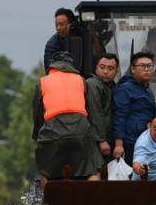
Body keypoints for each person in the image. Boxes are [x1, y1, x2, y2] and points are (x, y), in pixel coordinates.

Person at [32, 51, 103, 185]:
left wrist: (38, 137)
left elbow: (38, 114)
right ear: (71, 65)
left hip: (52, 131)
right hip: (81, 129)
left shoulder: (43, 82)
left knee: (45, 170)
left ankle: (48, 203)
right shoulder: (81, 80)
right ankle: (94, 202)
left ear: (53, 66)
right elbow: (90, 110)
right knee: (91, 169)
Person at [113, 52, 156, 165]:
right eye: (142, 66)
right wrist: (119, 145)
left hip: (146, 140)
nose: (147, 69)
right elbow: (119, 116)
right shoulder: (125, 89)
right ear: (133, 69)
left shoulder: (148, 89)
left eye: (150, 66)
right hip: (130, 141)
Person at [85, 53, 119, 160]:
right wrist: (102, 140)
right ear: (96, 68)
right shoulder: (92, 84)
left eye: (110, 68)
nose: (105, 71)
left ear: (116, 71)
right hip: (95, 140)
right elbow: (96, 113)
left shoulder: (112, 86)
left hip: (109, 138)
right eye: (102, 67)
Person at [43, 8, 84, 72]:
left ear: (71, 25)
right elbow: (49, 68)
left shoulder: (84, 35)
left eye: (61, 25)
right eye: (56, 25)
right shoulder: (52, 44)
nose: (58, 28)